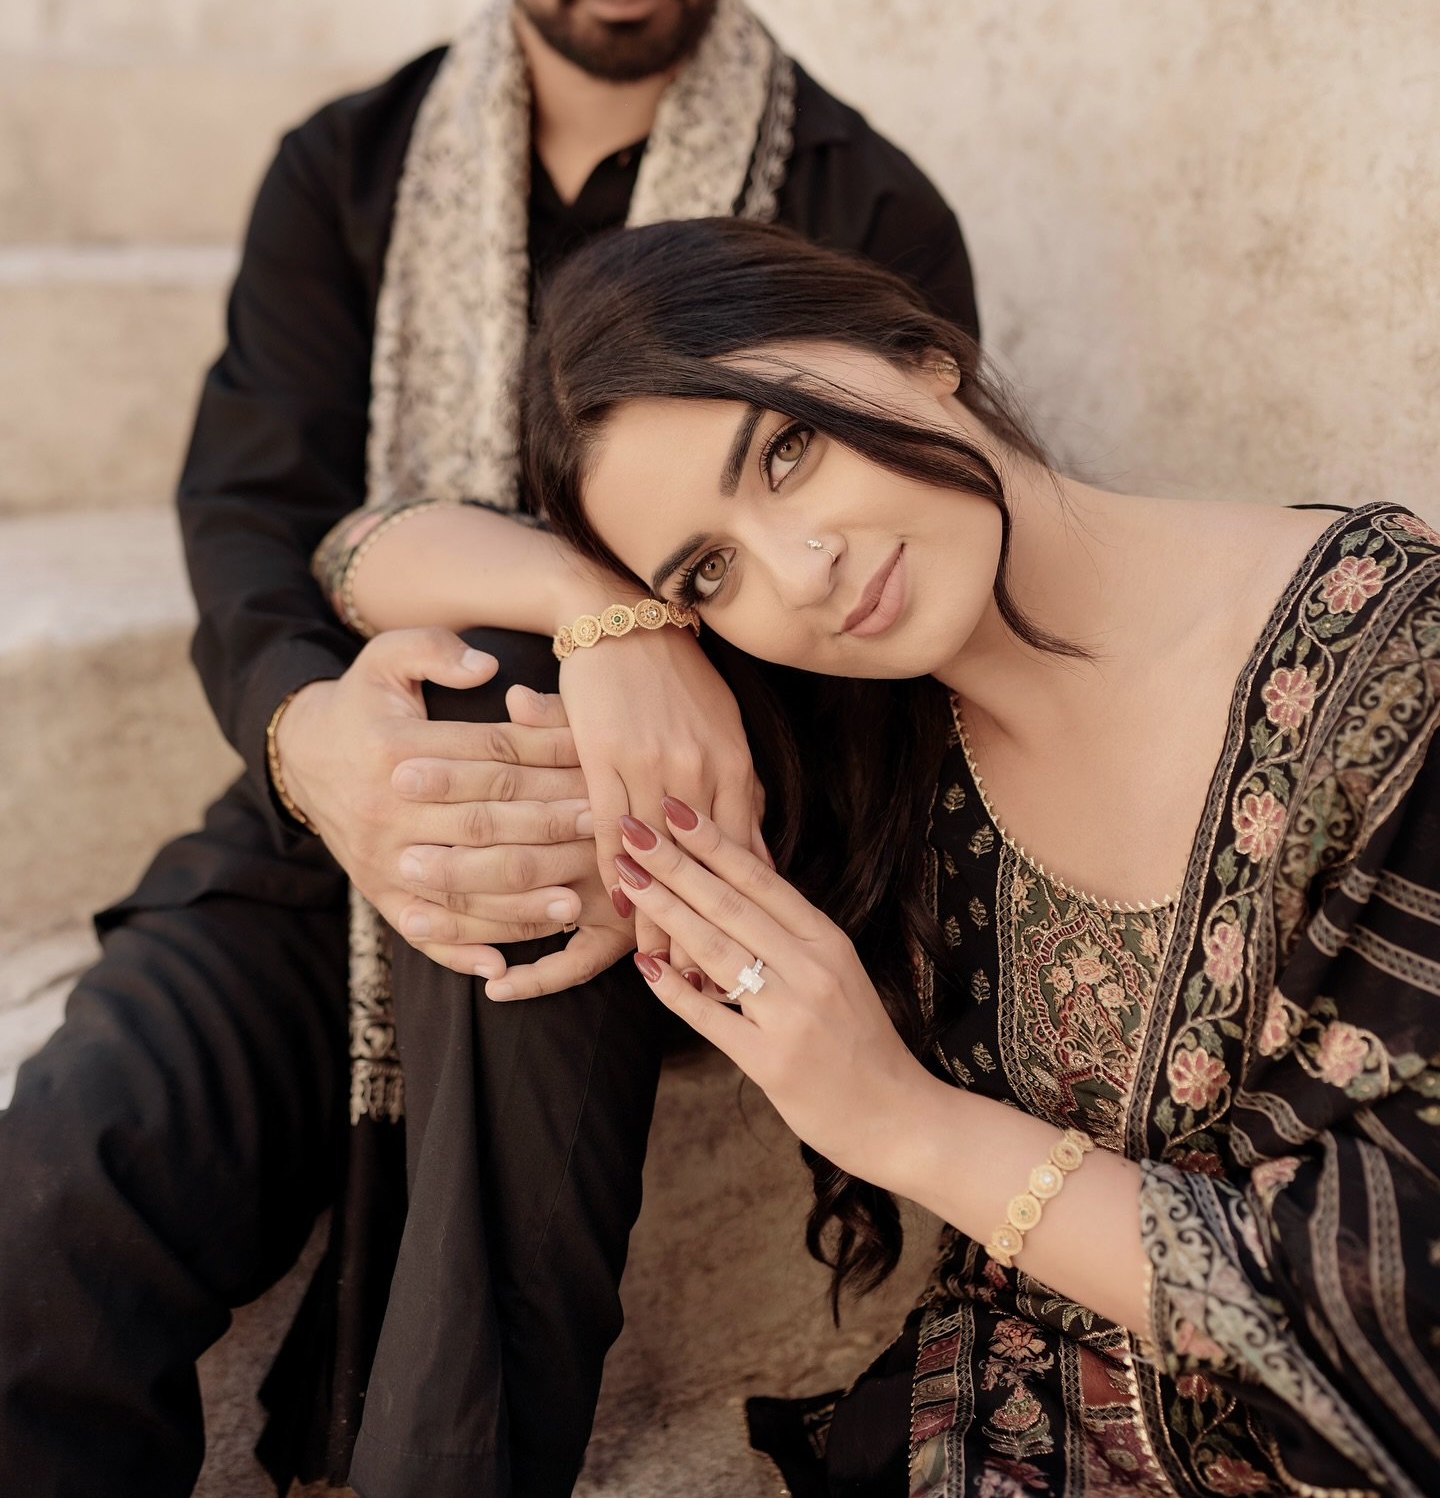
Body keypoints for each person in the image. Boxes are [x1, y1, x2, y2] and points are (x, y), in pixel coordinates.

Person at [0, 0, 979, 1497]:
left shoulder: (859, 216)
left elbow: (882, 643)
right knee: (45, 1220)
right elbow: (255, 525)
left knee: (527, 758)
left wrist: (636, 766)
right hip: (318, 842)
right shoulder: (343, 175)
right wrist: (323, 745)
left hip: (660, 875)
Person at [347, 217, 1440, 1498]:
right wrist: (600, 619)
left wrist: (899, 1120)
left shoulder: (1394, 673)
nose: (801, 571)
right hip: (1008, 1431)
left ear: (922, 352)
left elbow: (1398, 1305)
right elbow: (357, 548)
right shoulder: (868, 745)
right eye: (711, 569)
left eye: (788, 450)